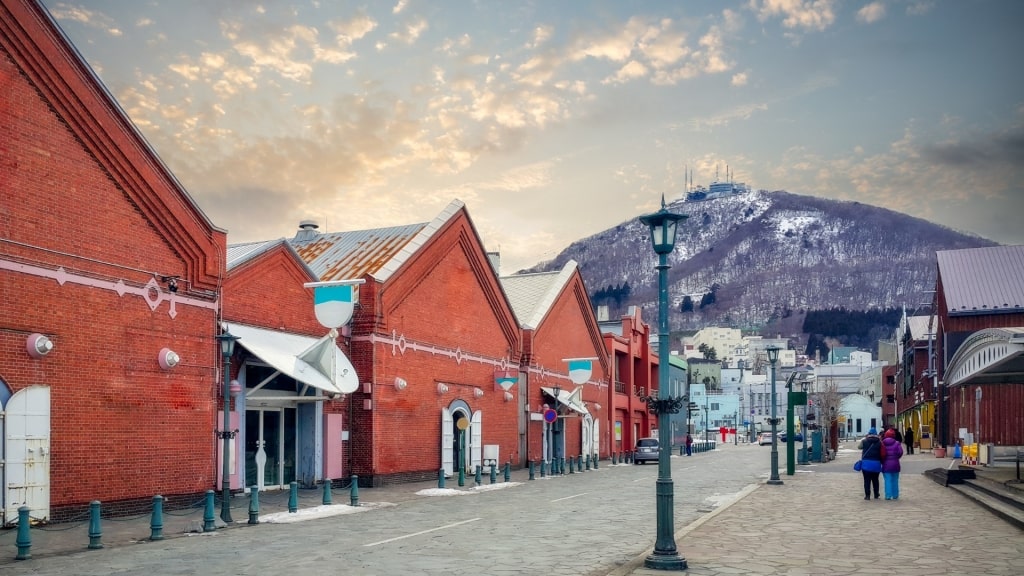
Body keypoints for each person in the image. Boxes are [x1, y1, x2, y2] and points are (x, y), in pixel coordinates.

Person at [858, 427, 883, 500]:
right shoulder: (879, 442)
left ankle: (867, 495)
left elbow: (859, 447)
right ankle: (876, 494)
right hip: (876, 463)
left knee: (867, 480)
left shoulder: (864, 441)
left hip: (866, 464)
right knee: (875, 479)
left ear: (869, 433)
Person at [881, 428, 904, 500]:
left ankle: (888, 495)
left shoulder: (882, 443)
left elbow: (881, 453)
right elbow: (900, 453)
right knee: (895, 480)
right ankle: (895, 495)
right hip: (895, 464)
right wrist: (896, 457)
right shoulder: (897, 443)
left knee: (887, 480)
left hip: (886, 464)